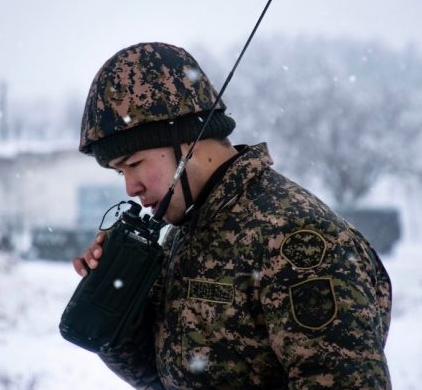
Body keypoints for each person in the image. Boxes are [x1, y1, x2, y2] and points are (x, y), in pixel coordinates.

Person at [71, 42, 392, 389]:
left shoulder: (297, 240)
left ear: (187, 142)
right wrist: (115, 306)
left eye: (134, 164)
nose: (130, 188)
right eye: (120, 173)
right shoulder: (188, 231)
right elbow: (162, 377)